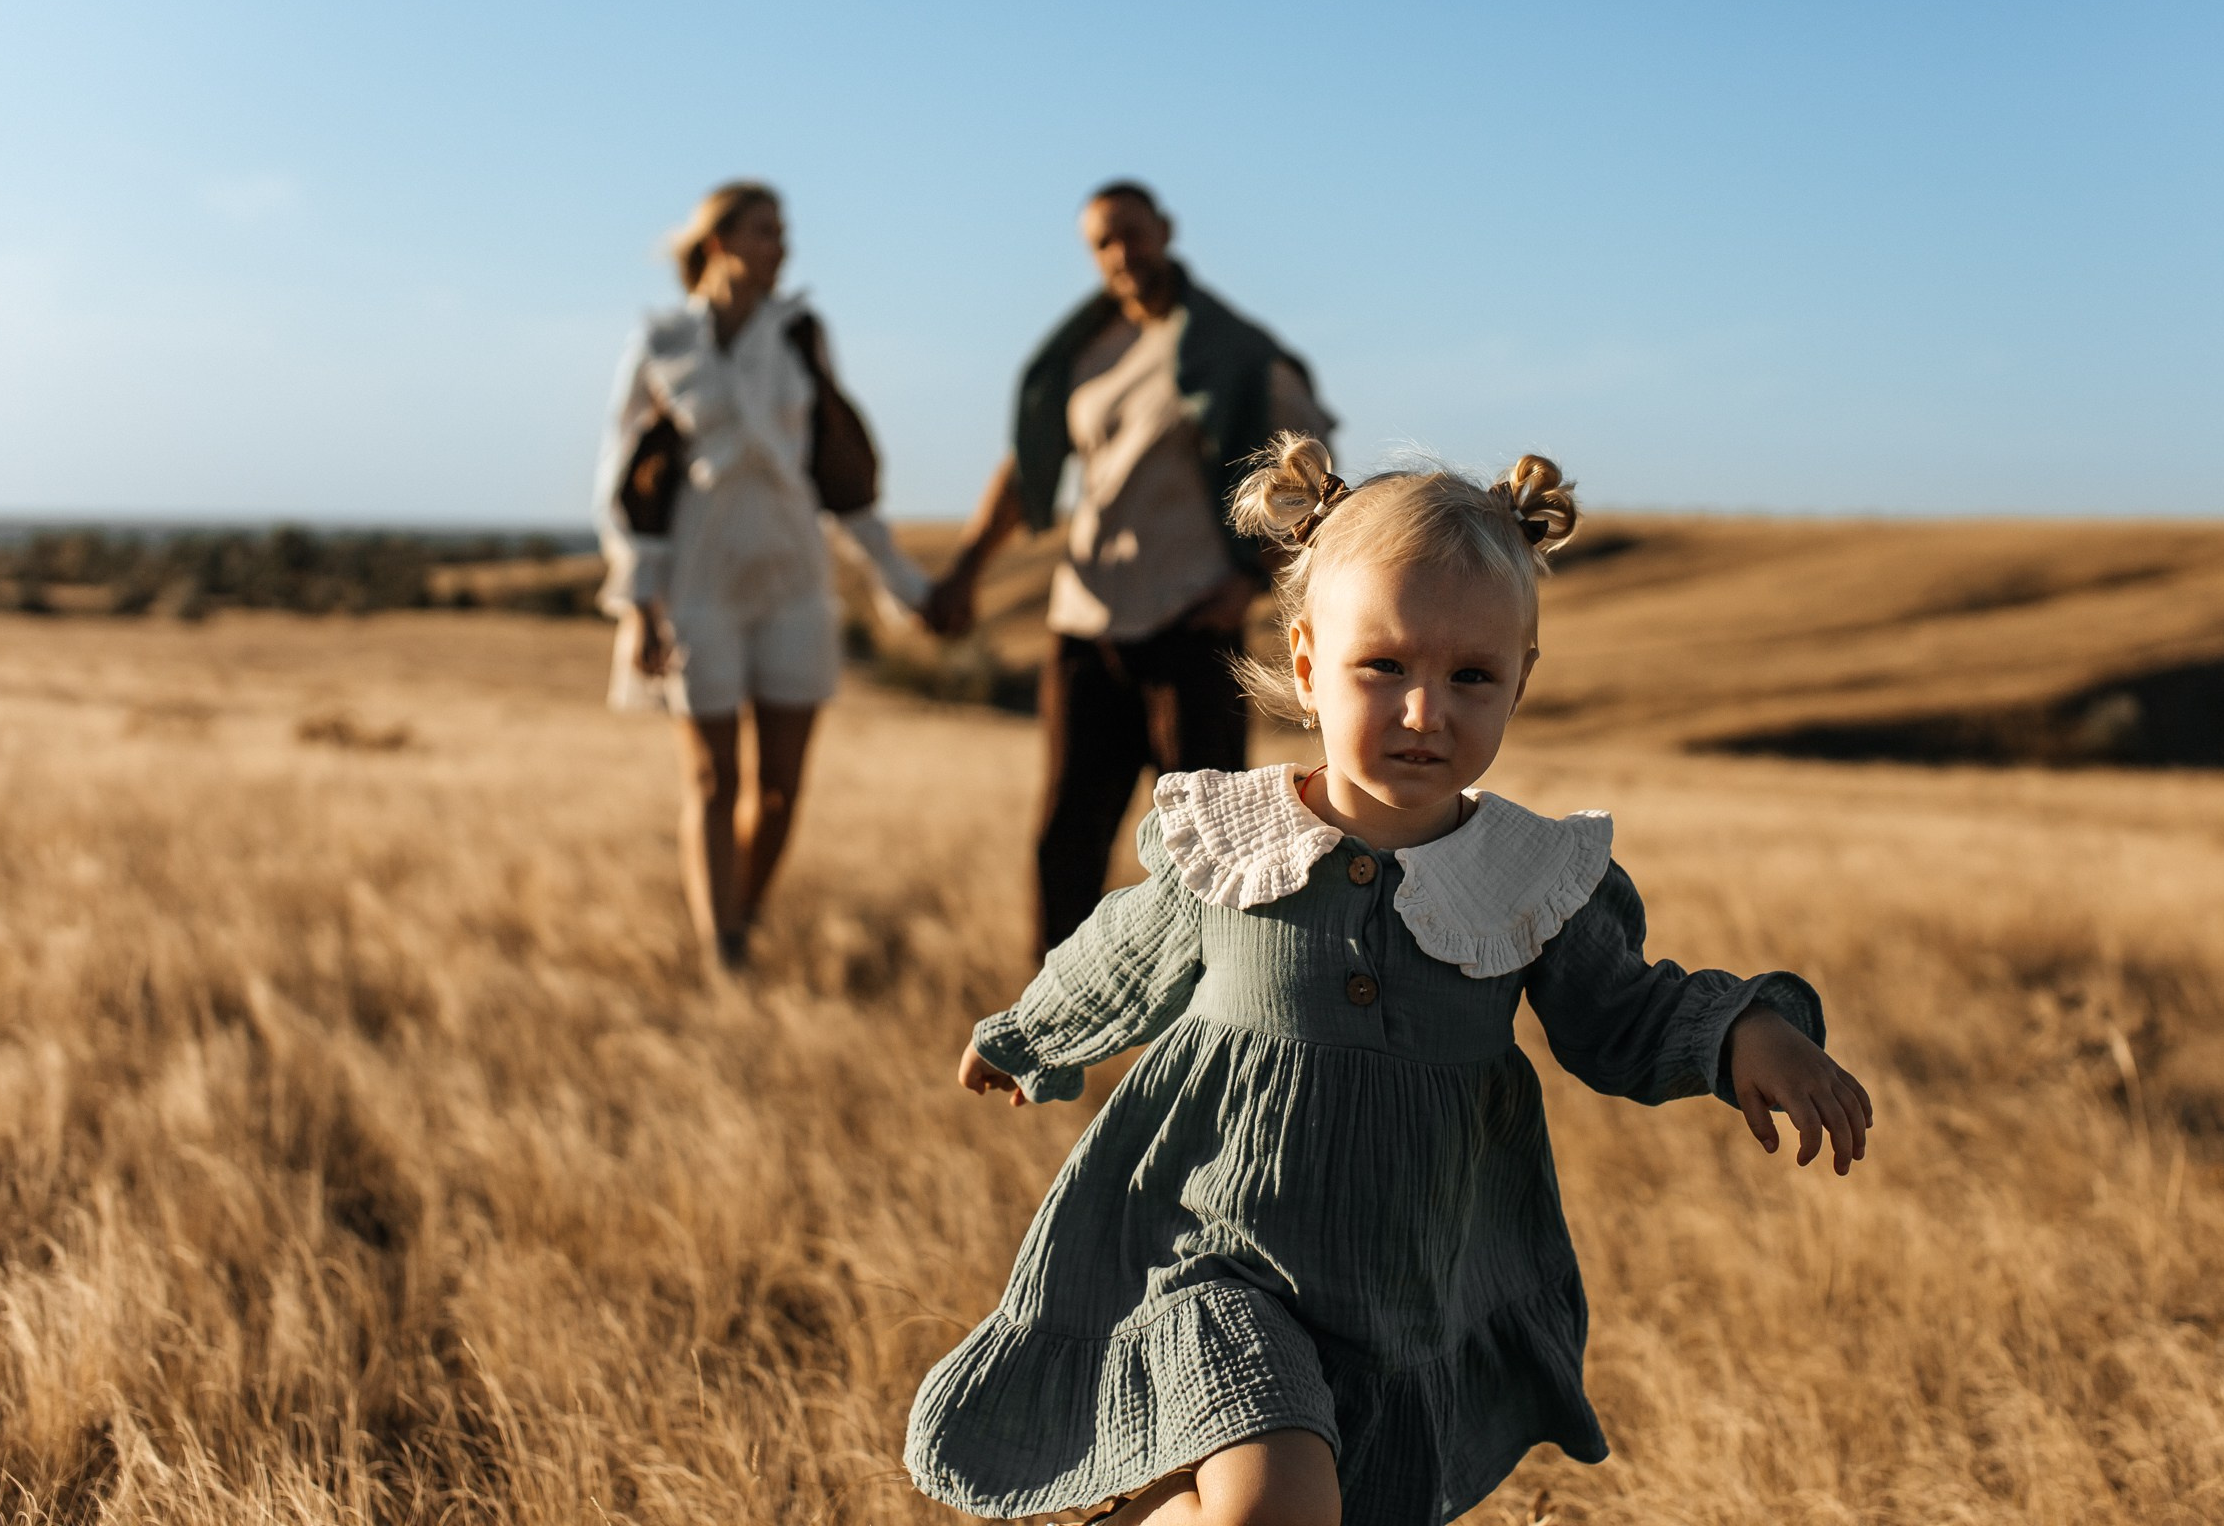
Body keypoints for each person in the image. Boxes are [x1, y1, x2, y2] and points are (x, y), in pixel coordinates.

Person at [905, 436, 1876, 1526]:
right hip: (1211, 1254)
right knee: (1274, 1499)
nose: (1427, 712)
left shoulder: (1527, 877)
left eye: (1472, 676)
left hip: (1408, 1290)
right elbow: (1125, 948)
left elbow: (1626, 1010)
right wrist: (1031, 1030)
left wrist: (1747, 1033)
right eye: (1386, 668)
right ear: (1310, 661)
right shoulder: (1236, 839)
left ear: (1522, 679)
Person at [923, 181, 1334, 955]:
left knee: (1211, 848)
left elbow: (1307, 479)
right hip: (1085, 624)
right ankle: (1051, 1027)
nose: (1120, 255)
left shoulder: (1233, 354)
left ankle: (1218, 1017)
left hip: (1188, 627)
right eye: (1103, 244)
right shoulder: (1087, 354)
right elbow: (1028, 471)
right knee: (1065, 842)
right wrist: (966, 569)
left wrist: (1250, 582)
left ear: (1165, 233)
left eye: (1131, 236)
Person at [594, 180, 930, 971]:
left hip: (791, 578)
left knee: (779, 788)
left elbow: (836, 475)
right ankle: (725, 954)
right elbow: (621, 482)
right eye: (765, 231)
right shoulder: (662, 342)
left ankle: (738, 917)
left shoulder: (802, 335)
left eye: (783, 233)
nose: (782, 247)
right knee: (712, 777)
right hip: (698, 580)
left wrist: (903, 582)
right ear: (719, 243)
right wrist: (638, 604)